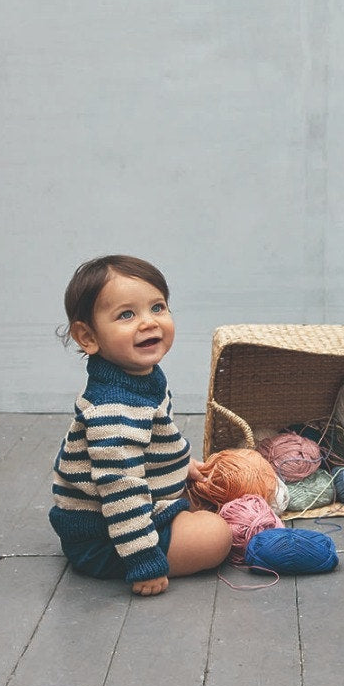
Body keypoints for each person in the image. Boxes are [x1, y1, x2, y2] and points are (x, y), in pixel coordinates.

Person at [49, 254, 231, 595]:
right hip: (105, 537)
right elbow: (121, 492)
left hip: (133, 512)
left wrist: (179, 465)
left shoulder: (142, 378)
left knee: (212, 498)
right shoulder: (113, 409)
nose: (149, 323)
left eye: (157, 307)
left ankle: (182, 522)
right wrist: (145, 562)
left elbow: (150, 442)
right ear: (88, 336)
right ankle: (149, 549)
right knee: (217, 536)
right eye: (126, 315)